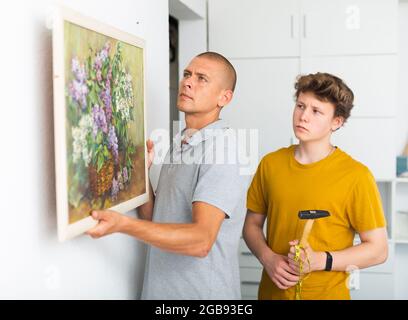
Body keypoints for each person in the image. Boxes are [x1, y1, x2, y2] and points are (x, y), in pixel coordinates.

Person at [87, 52, 249, 299]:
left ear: (224, 97)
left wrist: (122, 224)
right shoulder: (182, 140)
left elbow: (201, 241)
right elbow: (156, 219)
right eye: (187, 74)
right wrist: (141, 174)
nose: (188, 82)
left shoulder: (223, 149)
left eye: (202, 78)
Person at [243, 72, 388, 300]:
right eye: (300, 106)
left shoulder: (356, 176)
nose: (303, 116)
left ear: (336, 122)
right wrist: (267, 258)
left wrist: (322, 260)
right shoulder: (270, 164)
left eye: (316, 111)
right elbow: (251, 225)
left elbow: (378, 250)